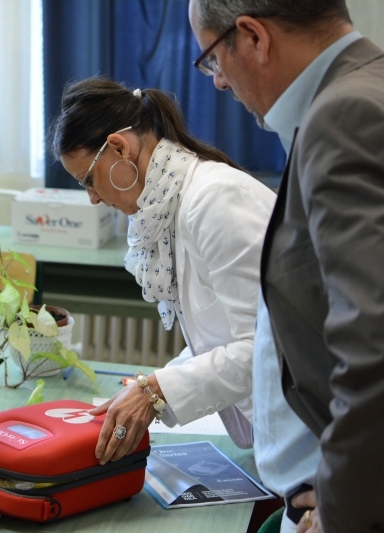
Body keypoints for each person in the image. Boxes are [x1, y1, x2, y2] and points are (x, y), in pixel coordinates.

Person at [189, 1, 384, 532]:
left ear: (253, 37)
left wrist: (344, 510)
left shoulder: (343, 116)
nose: (219, 82)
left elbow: (383, 342)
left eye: (214, 59)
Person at [49, 77, 275, 464]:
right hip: (276, 435)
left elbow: (267, 349)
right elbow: (217, 338)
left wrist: (156, 391)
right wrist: (146, 389)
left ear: (119, 148)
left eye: (89, 180)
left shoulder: (215, 199)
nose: (93, 198)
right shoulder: (175, 205)